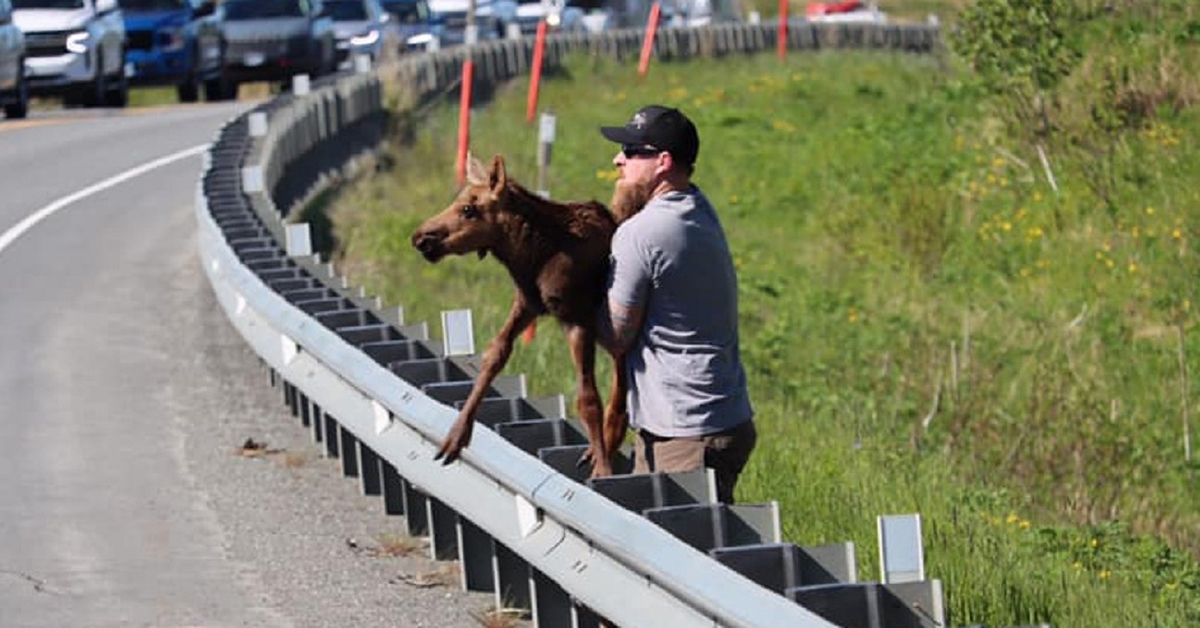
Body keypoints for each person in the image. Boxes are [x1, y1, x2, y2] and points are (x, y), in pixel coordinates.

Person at [596, 104, 756, 504]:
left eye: (632, 152)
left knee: (685, 553)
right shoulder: (696, 208)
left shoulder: (641, 232)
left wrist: (572, 298)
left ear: (663, 162)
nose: (619, 159)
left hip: (684, 431)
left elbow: (616, 336)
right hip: (717, 415)